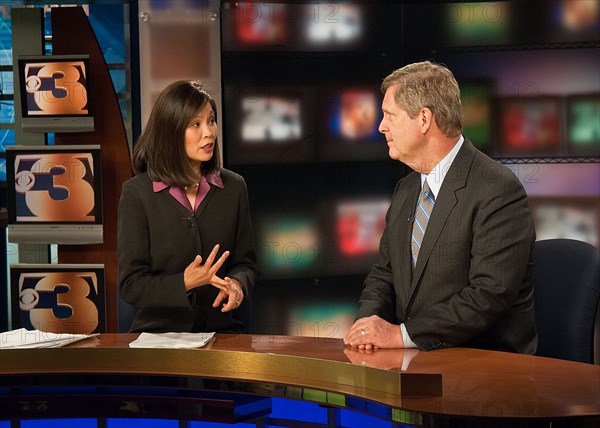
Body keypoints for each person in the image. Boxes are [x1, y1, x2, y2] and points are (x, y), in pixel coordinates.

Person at [344, 61, 537, 354]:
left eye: (389, 116)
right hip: (412, 362)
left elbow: (487, 296)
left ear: (423, 120)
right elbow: (384, 274)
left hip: (483, 370)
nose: (381, 126)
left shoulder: (497, 189)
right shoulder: (407, 189)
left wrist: (401, 335)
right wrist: (366, 328)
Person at [117, 80, 259, 333]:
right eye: (196, 124)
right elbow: (131, 284)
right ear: (171, 131)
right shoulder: (137, 194)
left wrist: (237, 284)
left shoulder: (234, 188)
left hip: (221, 330)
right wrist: (184, 282)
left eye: (211, 121)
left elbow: (246, 264)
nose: (209, 133)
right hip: (159, 335)